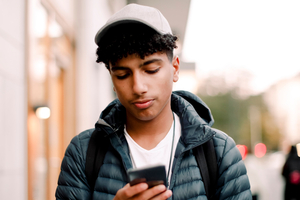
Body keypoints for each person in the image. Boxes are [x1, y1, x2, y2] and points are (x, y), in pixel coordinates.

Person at [55, 3, 252, 200]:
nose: (138, 87)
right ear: (112, 79)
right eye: (123, 75)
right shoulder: (83, 152)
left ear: (175, 69)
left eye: (151, 70)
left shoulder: (219, 151)